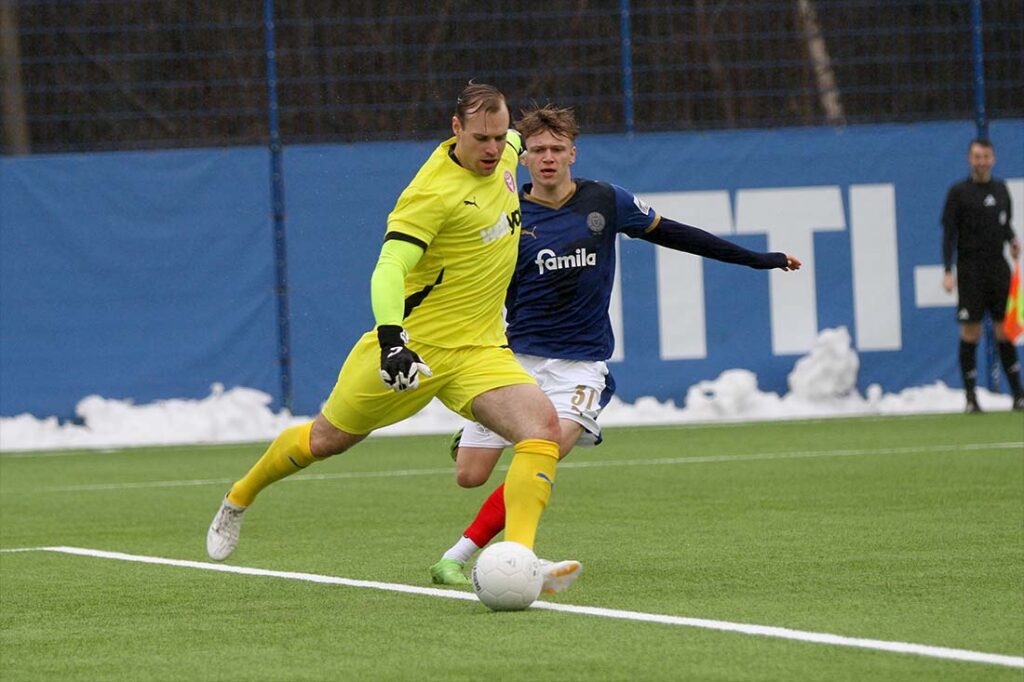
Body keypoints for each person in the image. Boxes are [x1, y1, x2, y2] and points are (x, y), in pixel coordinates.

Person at [429, 104, 802, 587]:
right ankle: (476, 451)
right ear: (523, 159)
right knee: (470, 475)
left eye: (557, 149)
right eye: (538, 149)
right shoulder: (507, 213)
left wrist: (758, 259)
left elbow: (677, 234)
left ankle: (468, 558)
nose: (547, 158)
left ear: (572, 154)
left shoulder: (606, 201)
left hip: (580, 366)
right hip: (513, 360)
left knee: (542, 450)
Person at [206, 83, 566, 568]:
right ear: (456, 128)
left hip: (480, 351)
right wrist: (392, 341)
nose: (493, 148)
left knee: (541, 429)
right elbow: (390, 267)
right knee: (325, 440)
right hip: (412, 350)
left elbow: (529, 139)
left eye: (501, 137)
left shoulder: (507, 153)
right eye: (482, 138)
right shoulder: (431, 194)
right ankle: (239, 497)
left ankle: (519, 557)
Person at [941, 138, 1023, 413]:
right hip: (970, 270)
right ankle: (970, 398)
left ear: (993, 159)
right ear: (969, 159)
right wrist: (947, 270)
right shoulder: (958, 192)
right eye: (976, 156)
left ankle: (1018, 395)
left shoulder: (1000, 189)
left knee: (1005, 330)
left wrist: (1012, 240)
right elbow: (949, 235)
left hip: (998, 269)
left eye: (986, 156)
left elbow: (1004, 224)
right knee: (971, 330)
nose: (981, 161)